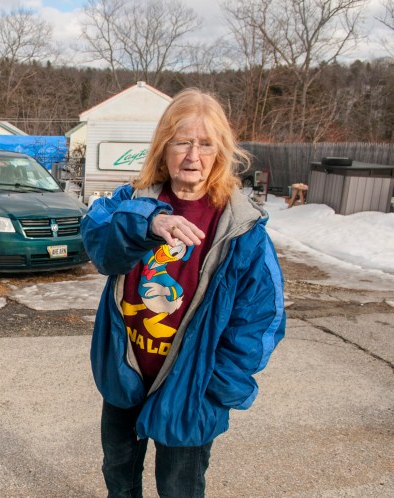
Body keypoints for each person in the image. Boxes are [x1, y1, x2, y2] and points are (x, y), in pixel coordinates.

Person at [81, 88, 286, 497]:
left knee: (180, 489)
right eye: (182, 142)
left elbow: (259, 320)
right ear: (164, 147)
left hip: (191, 388)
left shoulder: (241, 229)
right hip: (127, 376)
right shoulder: (134, 201)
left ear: (221, 151)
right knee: (119, 479)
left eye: (206, 143)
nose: (193, 156)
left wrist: (216, 389)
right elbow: (98, 241)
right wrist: (147, 224)